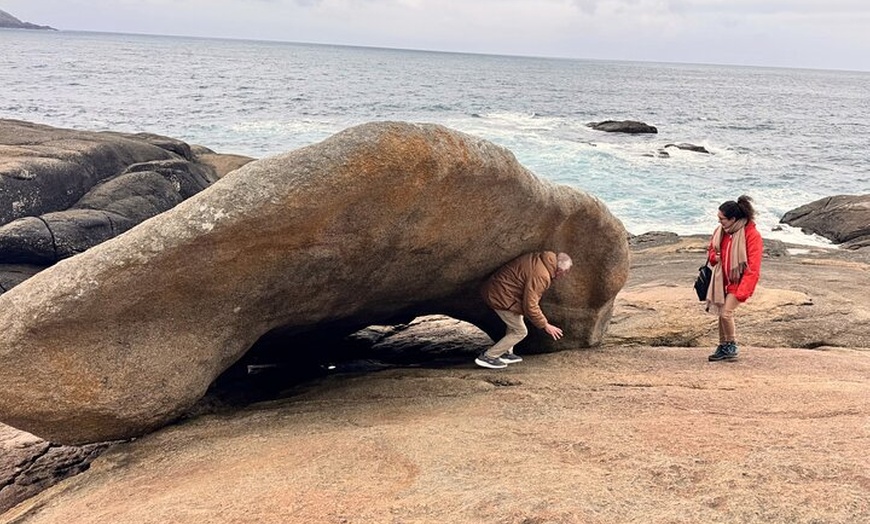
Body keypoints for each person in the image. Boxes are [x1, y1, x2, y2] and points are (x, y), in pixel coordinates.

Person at [475, 251, 573, 369]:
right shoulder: (542, 275)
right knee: (520, 331)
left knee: (517, 318)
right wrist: (545, 325)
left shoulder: (542, 258)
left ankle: (506, 352)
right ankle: (488, 356)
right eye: (565, 272)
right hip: (499, 296)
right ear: (559, 270)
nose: (564, 275)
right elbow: (530, 305)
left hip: (499, 290)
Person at [705, 195, 763, 361]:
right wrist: (714, 257)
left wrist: (743, 291)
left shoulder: (751, 235)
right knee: (721, 314)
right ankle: (723, 346)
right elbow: (712, 251)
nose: (719, 222)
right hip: (722, 280)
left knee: (726, 313)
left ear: (733, 219)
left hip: (738, 282)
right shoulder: (722, 232)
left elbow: (753, 266)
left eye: (722, 219)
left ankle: (731, 346)